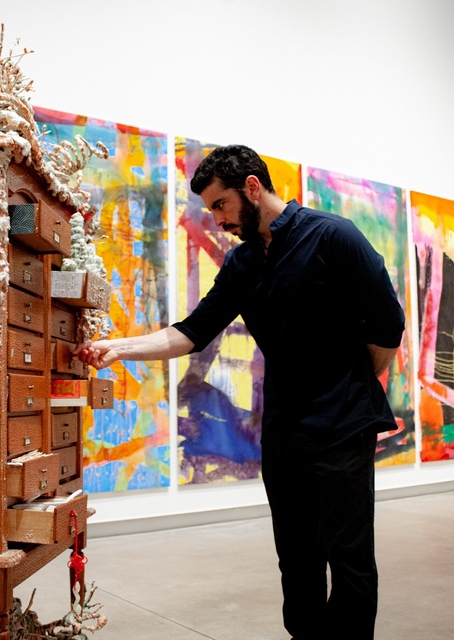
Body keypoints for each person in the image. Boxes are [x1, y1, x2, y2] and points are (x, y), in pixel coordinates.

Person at [73, 144, 405, 639]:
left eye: (220, 205)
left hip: (342, 428)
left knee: (350, 560)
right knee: (296, 560)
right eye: (210, 210)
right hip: (285, 433)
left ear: (252, 187)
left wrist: (349, 385)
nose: (217, 219)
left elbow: (387, 324)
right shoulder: (243, 265)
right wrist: (116, 348)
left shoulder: (333, 237)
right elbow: (190, 332)